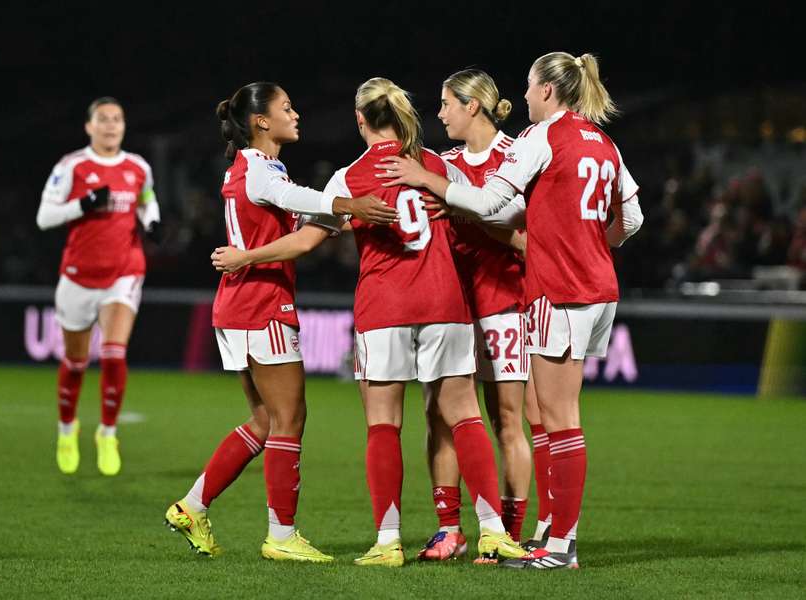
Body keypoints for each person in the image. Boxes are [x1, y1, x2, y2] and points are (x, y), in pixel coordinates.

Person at [211, 77, 527, 567]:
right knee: (464, 415)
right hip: (445, 302)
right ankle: (492, 531)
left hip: (384, 309)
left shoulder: (348, 178)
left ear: (360, 120)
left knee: (384, 424)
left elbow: (303, 243)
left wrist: (245, 256)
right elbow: (496, 209)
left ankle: (388, 541)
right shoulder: (437, 165)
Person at [376, 53, 644, 569]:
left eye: (528, 87)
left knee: (558, 421)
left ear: (547, 90)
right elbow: (630, 216)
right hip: (600, 288)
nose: (522, 97)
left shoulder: (540, 137)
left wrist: (433, 183)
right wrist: (587, 242)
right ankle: (552, 533)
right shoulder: (603, 141)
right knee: (548, 417)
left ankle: (560, 544)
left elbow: (491, 203)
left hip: (558, 290)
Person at [164, 82, 397, 563]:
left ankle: (192, 506)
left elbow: (294, 217)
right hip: (260, 304)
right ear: (261, 122)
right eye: (286, 108)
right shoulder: (257, 168)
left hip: (240, 304)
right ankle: (281, 534)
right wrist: (350, 204)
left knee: (266, 420)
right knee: (290, 418)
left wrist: (349, 219)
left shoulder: (257, 167)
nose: (296, 114)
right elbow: (296, 196)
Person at [416, 69, 551, 562]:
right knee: (439, 415)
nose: (441, 112)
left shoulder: (519, 157)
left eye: (447, 102)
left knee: (507, 419)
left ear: (472, 106)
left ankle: (507, 535)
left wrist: (465, 210)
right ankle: (449, 528)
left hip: (502, 303)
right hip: (449, 306)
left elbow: (529, 237)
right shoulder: (443, 163)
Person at [37, 96, 162, 477]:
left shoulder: (137, 166)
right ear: (89, 127)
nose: (111, 126)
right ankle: (66, 429)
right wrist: (84, 204)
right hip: (77, 275)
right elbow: (44, 218)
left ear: (124, 126)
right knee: (75, 362)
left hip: (124, 271)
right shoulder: (71, 166)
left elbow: (147, 201)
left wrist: (152, 221)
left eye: (117, 119)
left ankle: (107, 433)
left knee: (113, 352)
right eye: (103, 120)